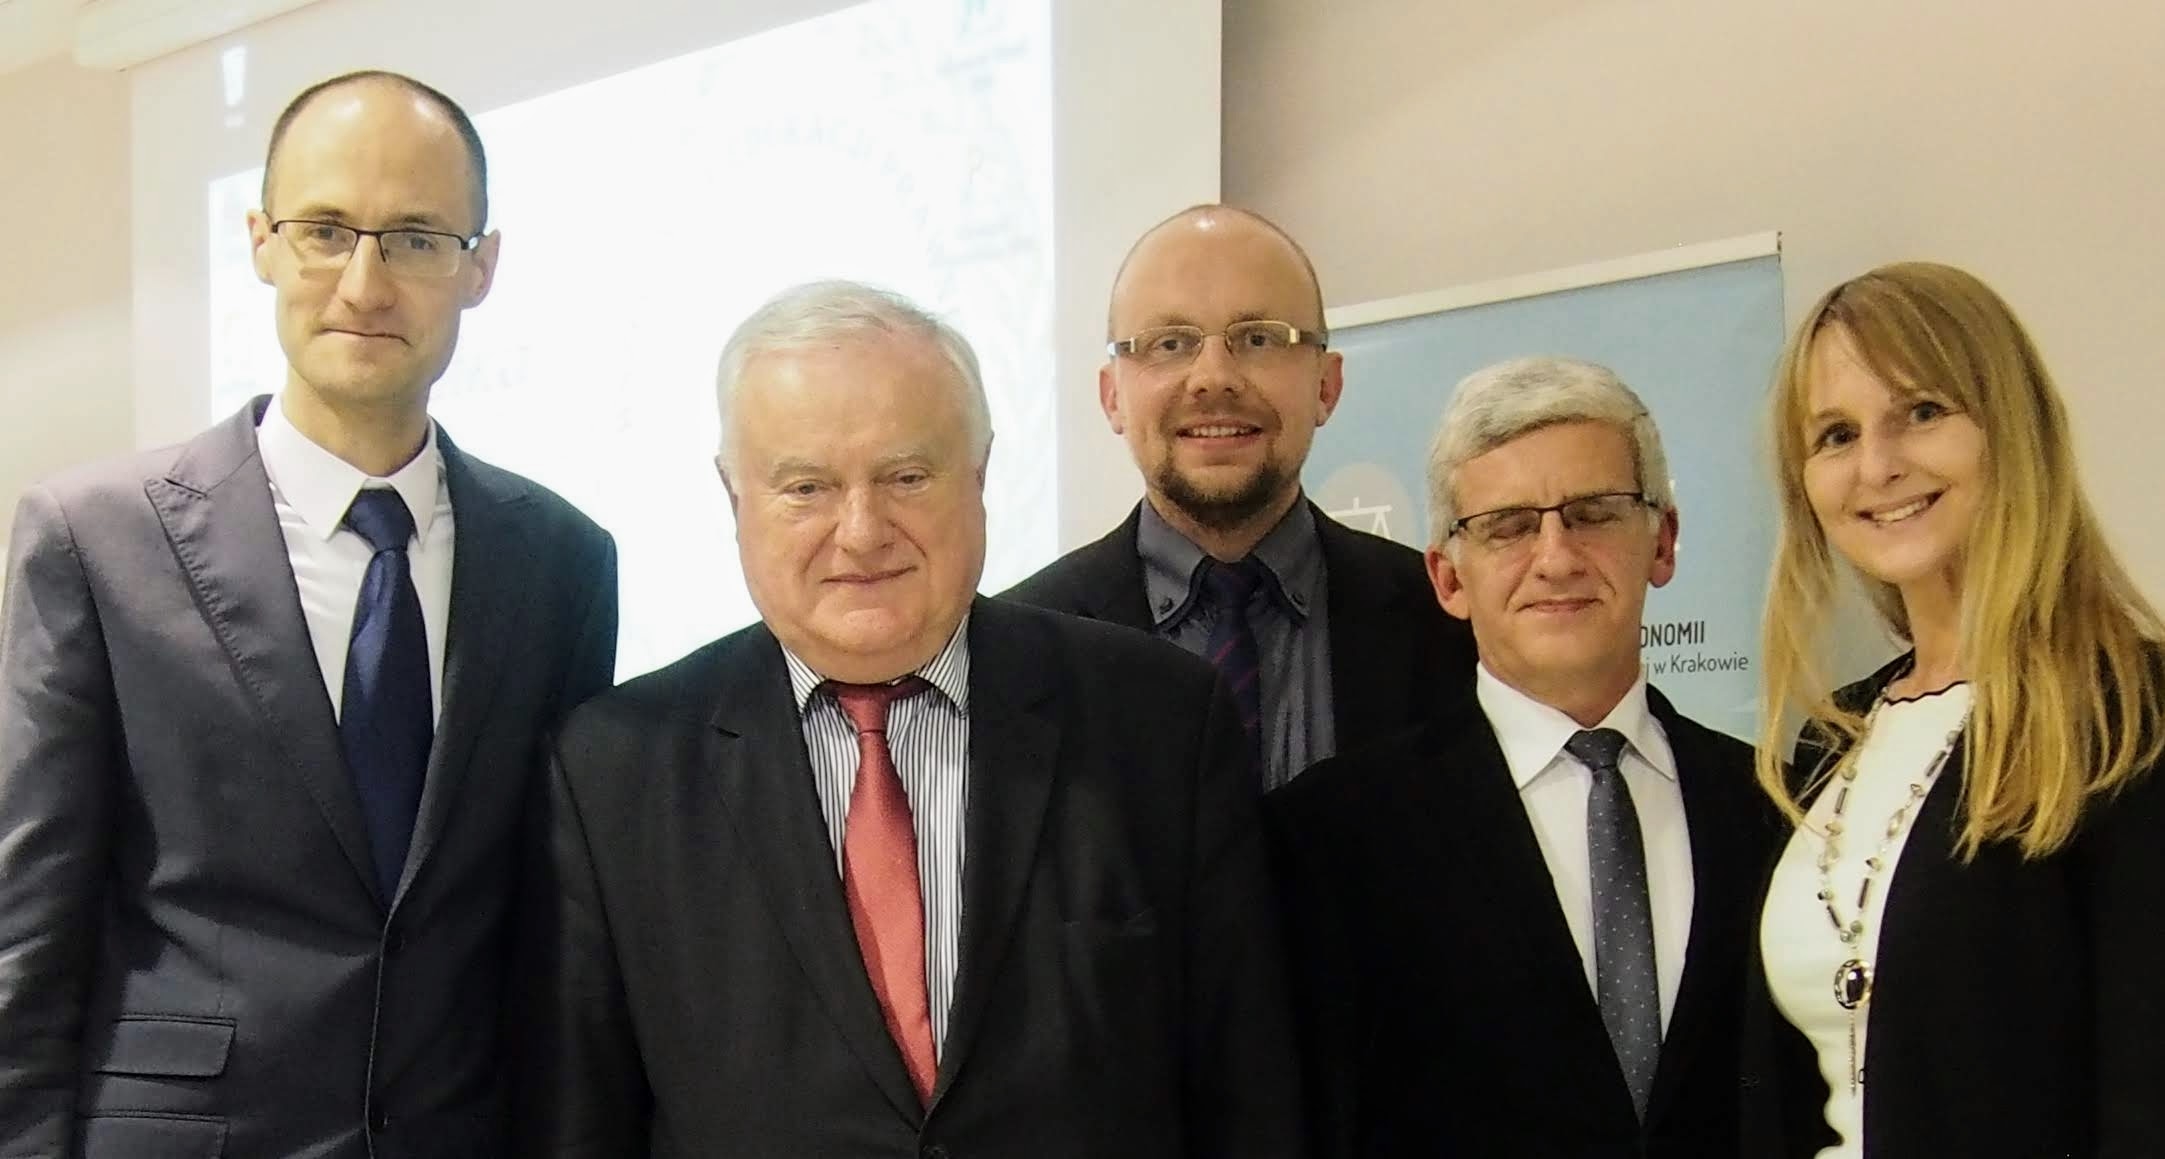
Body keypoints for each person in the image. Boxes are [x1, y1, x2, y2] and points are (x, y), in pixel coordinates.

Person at [512, 280, 1301, 1158]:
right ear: (734, 499)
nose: (860, 531)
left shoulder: (1158, 721)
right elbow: (581, 1129)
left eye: (906, 477)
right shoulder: (613, 771)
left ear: (980, 475)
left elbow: (1248, 1100)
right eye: (805, 486)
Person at [0, 71, 618, 1158]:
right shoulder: (94, 539)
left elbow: (552, 937)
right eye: (326, 231)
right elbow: (26, 935)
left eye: (417, 238)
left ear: (480, 265)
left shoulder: (562, 562)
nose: (365, 284)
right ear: (261, 242)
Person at [1270, 356, 1771, 1157]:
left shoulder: (1774, 807)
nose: (1556, 556)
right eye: (1506, 526)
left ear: (1663, 541)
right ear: (1447, 577)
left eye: (1594, 512)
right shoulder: (1330, 836)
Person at [1745, 261, 2165, 1158]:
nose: (1876, 465)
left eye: (1921, 411)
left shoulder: (2131, 714)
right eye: (1835, 434)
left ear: (2009, 424)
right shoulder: (1829, 740)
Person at [1006, 205, 1475, 788]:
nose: (1213, 378)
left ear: (1327, 386)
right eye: (1169, 343)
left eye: (1259, 338)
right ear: (1112, 398)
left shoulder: (1450, 625)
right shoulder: (1015, 651)